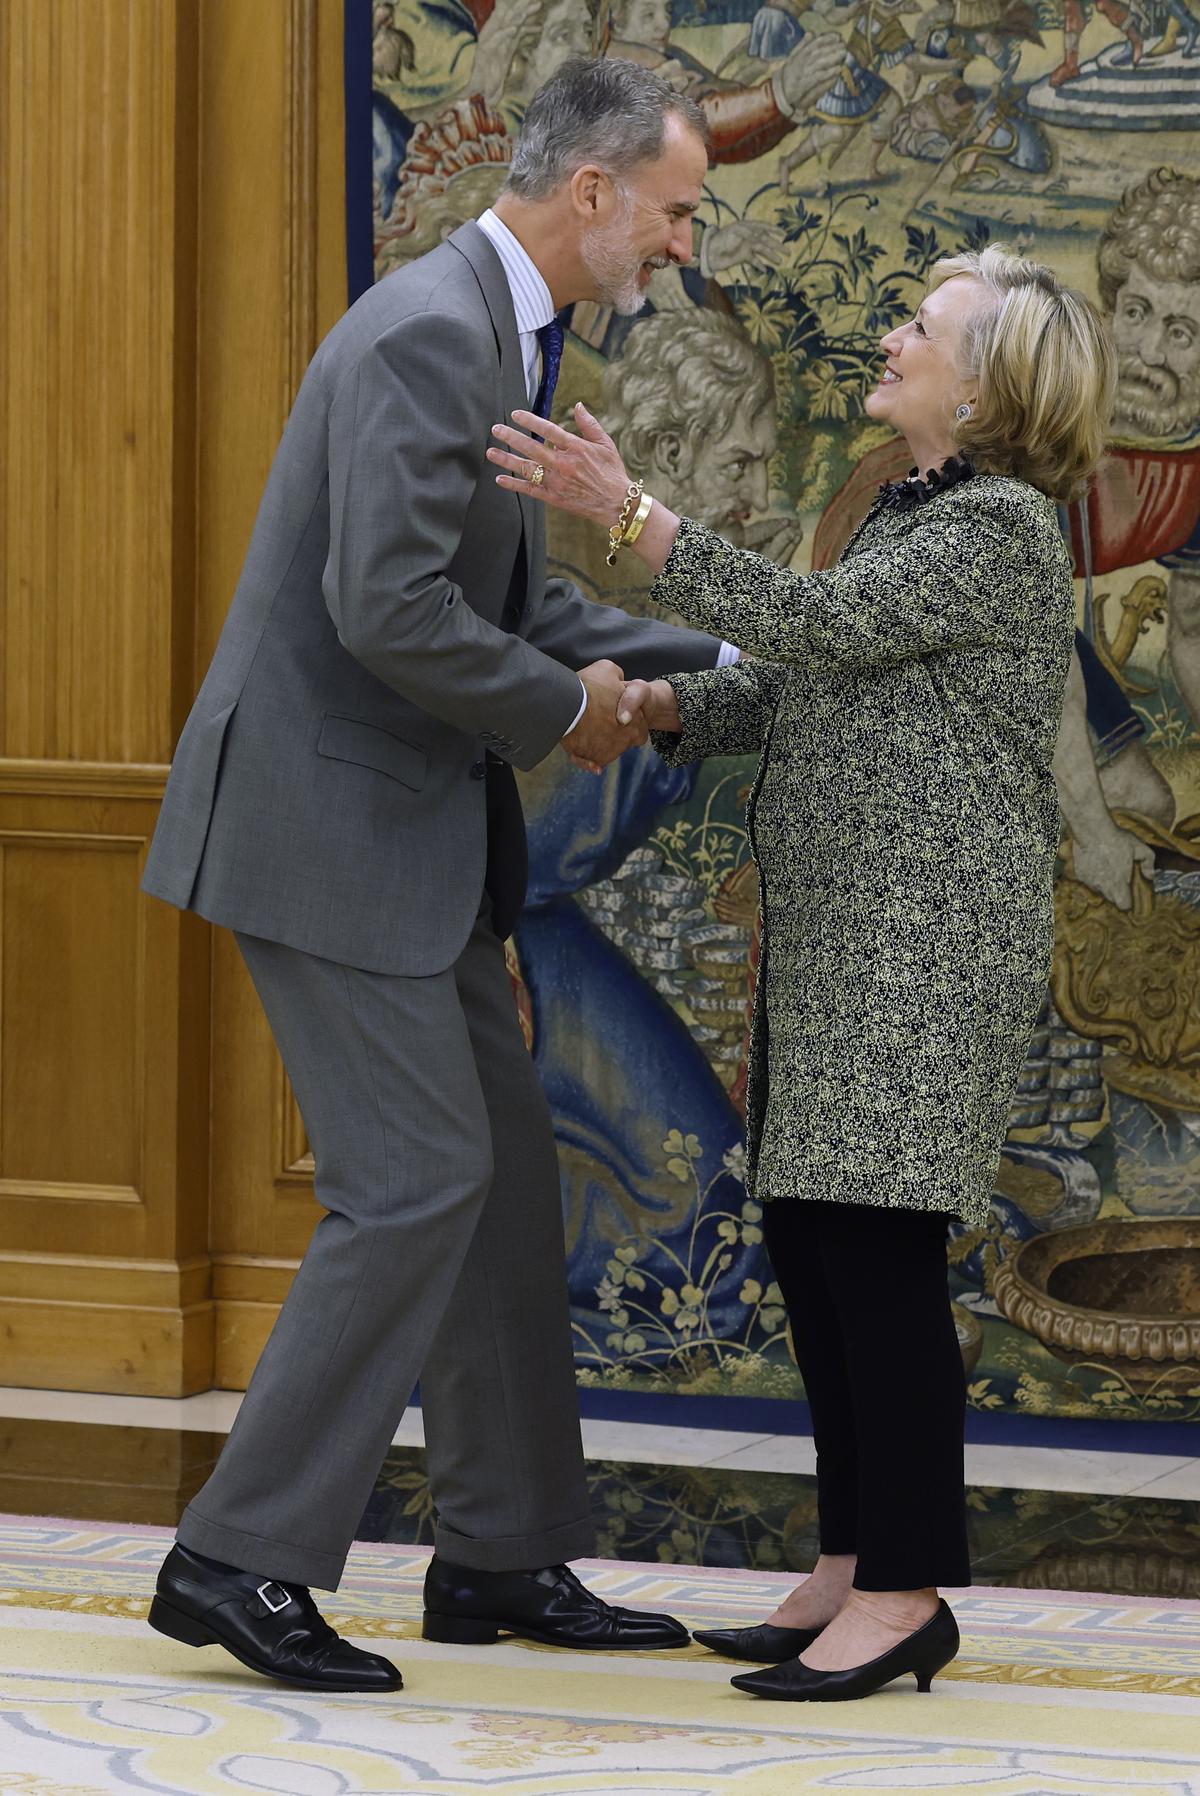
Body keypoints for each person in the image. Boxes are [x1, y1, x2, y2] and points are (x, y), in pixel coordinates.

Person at [140, 56, 743, 1693]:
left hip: (401, 839)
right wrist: (575, 714)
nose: (682, 246)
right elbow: (390, 612)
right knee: (412, 1181)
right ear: (594, 193)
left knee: (499, 1185)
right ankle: (236, 1558)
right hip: (327, 835)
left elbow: (522, 611)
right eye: (676, 212)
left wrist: (746, 654)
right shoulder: (432, 333)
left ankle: (498, 1552)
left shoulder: (504, 328)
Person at [489, 244, 1115, 1700]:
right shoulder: (913, 517)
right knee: (825, 1257)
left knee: (878, 1265)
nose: (892, 336)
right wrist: (661, 706)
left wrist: (632, 517)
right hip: (850, 946)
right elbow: (810, 676)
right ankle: (851, 1560)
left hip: (921, 955)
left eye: (923, 326)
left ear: (989, 382)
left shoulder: (1006, 528)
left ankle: (905, 1594)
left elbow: (819, 627)